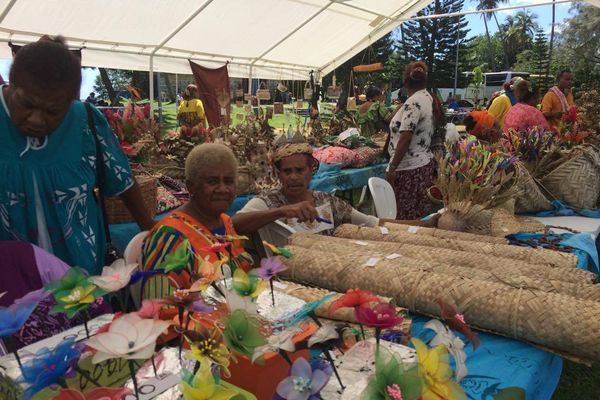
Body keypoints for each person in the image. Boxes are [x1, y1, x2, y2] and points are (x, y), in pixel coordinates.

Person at [0, 36, 154, 274]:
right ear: (12, 83)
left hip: (82, 278)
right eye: (27, 104)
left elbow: (122, 180)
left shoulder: (85, 122)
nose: (37, 119)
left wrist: (151, 228)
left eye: (53, 111)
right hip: (11, 283)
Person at [232, 134, 437, 238]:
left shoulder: (325, 201)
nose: (293, 177)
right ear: (278, 173)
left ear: (311, 170)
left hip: (326, 275)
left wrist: (423, 224)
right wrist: (282, 211)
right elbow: (235, 224)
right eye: (287, 171)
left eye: (299, 170)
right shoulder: (269, 201)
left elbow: (373, 222)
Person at [141, 143, 251, 297]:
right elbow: (161, 306)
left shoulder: (225, 222)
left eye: (228, 181)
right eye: (212, 182)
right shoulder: (170, 237)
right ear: (190, 187)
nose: (223, 189)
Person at [386, 61, 438, 220]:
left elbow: (406, 137)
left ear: (405, 79)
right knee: (419, 218)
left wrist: (392, 167)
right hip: (422, 166)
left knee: (406, 218)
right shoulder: (427, 97)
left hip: (409, 170)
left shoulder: (413, 101)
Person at [541, 69, 575, 134]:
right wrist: (557, 114)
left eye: (571, 80)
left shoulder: (569, 95)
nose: (570, 82)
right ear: (558, 80)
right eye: (567, 79)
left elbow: (571, 109)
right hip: (552, 133)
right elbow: (543, 114)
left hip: (567, 132)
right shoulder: (550, 95)